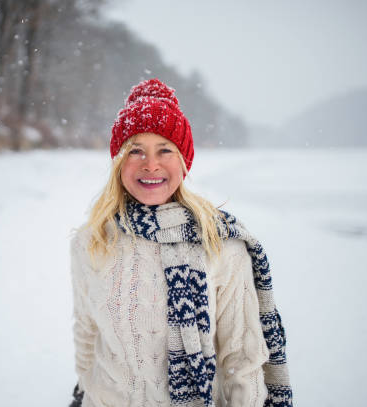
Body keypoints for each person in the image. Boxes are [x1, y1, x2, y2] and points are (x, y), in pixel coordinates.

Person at [69, 78, 292, 407]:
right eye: (136, 151)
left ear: (183, 161)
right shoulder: (92, 240)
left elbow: (242, 363)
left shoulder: (219, 245)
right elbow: (87, 333)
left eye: (165, 150)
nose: (151, 164)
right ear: (118, 163)